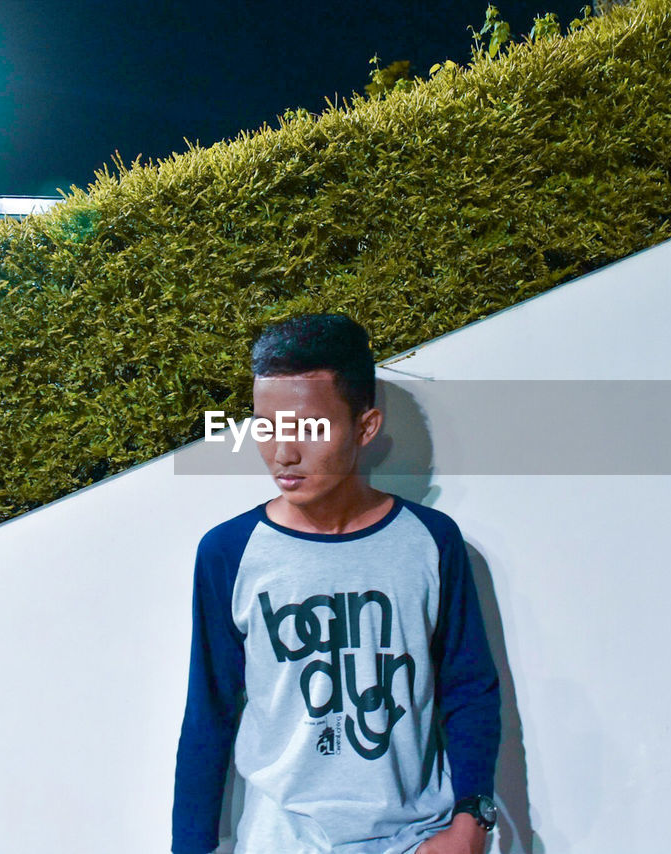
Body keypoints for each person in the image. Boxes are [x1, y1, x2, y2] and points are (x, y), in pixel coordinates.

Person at [172, 313, 501, 854]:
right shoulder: (229, 553)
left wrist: (471, 821)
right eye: (265, 427)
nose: (283, 453)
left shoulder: (431, 541)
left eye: (308, 429)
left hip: (416, 838)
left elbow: (469, 688)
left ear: (365, 428)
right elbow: (209, 713)